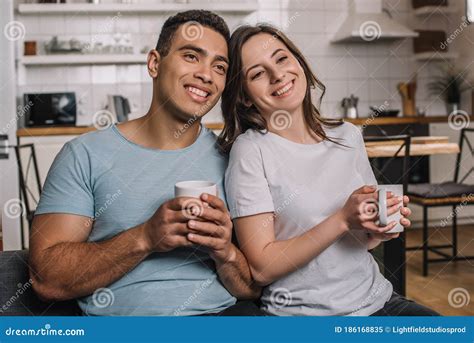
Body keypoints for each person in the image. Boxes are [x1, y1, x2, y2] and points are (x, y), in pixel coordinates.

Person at [29, 10, 262, 316]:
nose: (207, 74)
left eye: (219, 66)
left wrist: (225, 251)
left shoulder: (236, 157)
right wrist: (146, 237)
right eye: (191, 56)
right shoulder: (83, 155)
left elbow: (251, 288)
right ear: (155, 63)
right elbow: (47, 279)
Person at [218, 24, 439, 316]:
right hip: (303, 316)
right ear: (244, 96)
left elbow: (365, 241)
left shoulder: (347, 134)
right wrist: (343, 219)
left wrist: (380, 227)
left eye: (282, 58)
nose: (277, 75)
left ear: (298, 62)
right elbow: (261, 268)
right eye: (258, 73)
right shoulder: (251, 151)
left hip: (379, 302)